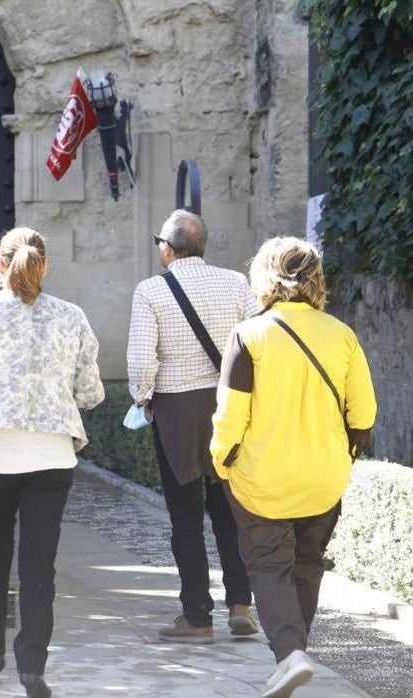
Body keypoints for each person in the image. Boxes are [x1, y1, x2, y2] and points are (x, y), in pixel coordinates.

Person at [0, 227, 103, 698]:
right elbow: (90, 393)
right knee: (39, 565)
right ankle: (33, 666)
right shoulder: (71, 317)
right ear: (44, 265)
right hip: (51, 454)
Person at [212, 237, 376, 698]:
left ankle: (289, 654)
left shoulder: (248, 334)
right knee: (306, 562)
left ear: (263, 277)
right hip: (323, 478)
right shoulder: (342, 334)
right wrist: (341, 459)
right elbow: (363, 416)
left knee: (268, 565)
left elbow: (230, 416)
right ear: (316, 278)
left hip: (263, 478)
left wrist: (222, 461)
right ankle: (294, 653)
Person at [126, 210, 258, 643]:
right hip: (230, 407)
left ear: (167, 247)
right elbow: (261, 340)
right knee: (230, 511)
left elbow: (143, 361)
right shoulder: (237, 284)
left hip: (177, 411)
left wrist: (144, 399)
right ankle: (240, 603)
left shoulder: (150, 291)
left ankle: (197, 618)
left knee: (185, 518)